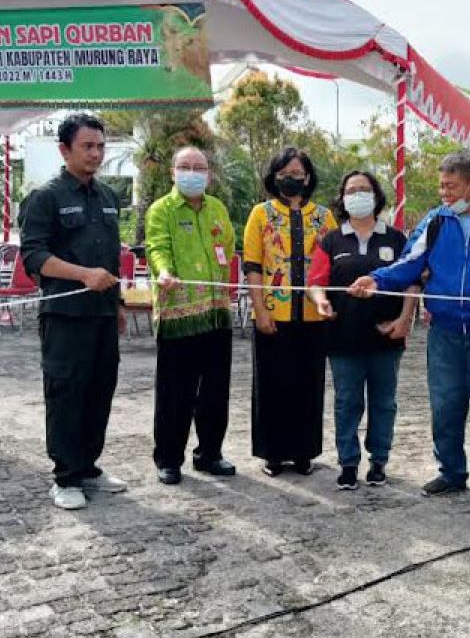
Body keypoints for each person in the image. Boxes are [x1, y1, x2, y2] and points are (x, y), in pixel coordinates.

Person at [349, 150, 470, 508]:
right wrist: (376, 279)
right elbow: (409, 263)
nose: (444, 193)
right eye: (441, 186)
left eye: (450, 186)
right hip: (445, 334)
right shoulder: (435, 223)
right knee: (446, 405)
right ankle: (451, 472)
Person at [20, 113, 127, 510]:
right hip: (65, 318)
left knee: (100, 391)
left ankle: (88, 467)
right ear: (64, 149)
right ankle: (65, 477)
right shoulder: (45, 198)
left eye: (100, 146)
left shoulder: (108, 198)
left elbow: (111, 258)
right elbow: (33, 256)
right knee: (66, 393)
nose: (96, 153)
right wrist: (83, 275)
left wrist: (116, 305)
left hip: (101, 314)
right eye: (88, 146)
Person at [307, 171, 420, 489]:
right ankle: (348, 463)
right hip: (342, 337)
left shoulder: (396, 238)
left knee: (384, 402)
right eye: (351, 190)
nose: (357, 195)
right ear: (343, 198)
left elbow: (412, 281)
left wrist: (405, 320)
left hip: (386, 336)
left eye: (364, 189)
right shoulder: (331, 239)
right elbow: (316, 283)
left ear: (376, 195)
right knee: (347, 401)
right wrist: (320, 303)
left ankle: (379, 461)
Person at [144, 146, 237, 486]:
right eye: (185, 167)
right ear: (172, 173)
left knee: (215, 390)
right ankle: (169, 458)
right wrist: (165, 271)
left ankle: (210, 453)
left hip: (215, 313)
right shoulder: (161, 210)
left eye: (199, 167)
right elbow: (157, 246)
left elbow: (227, 246)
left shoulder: (217, 209)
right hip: (178, 314)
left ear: (209, 173)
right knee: (175, 392)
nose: (193, 173)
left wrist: (223, 283)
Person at [243, 147, 337, 477]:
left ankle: (303, 453)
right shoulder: (260, 214)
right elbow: (253, 265)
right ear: (274, 177)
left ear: (308, 178)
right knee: (272, 385)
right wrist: (260, 309)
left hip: (313, 317)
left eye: (298, 174)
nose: (291, 180)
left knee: (308, 385)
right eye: (284, 174)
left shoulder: (323, 217)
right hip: (272, 314)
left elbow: (329, 265)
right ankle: (273, 454)